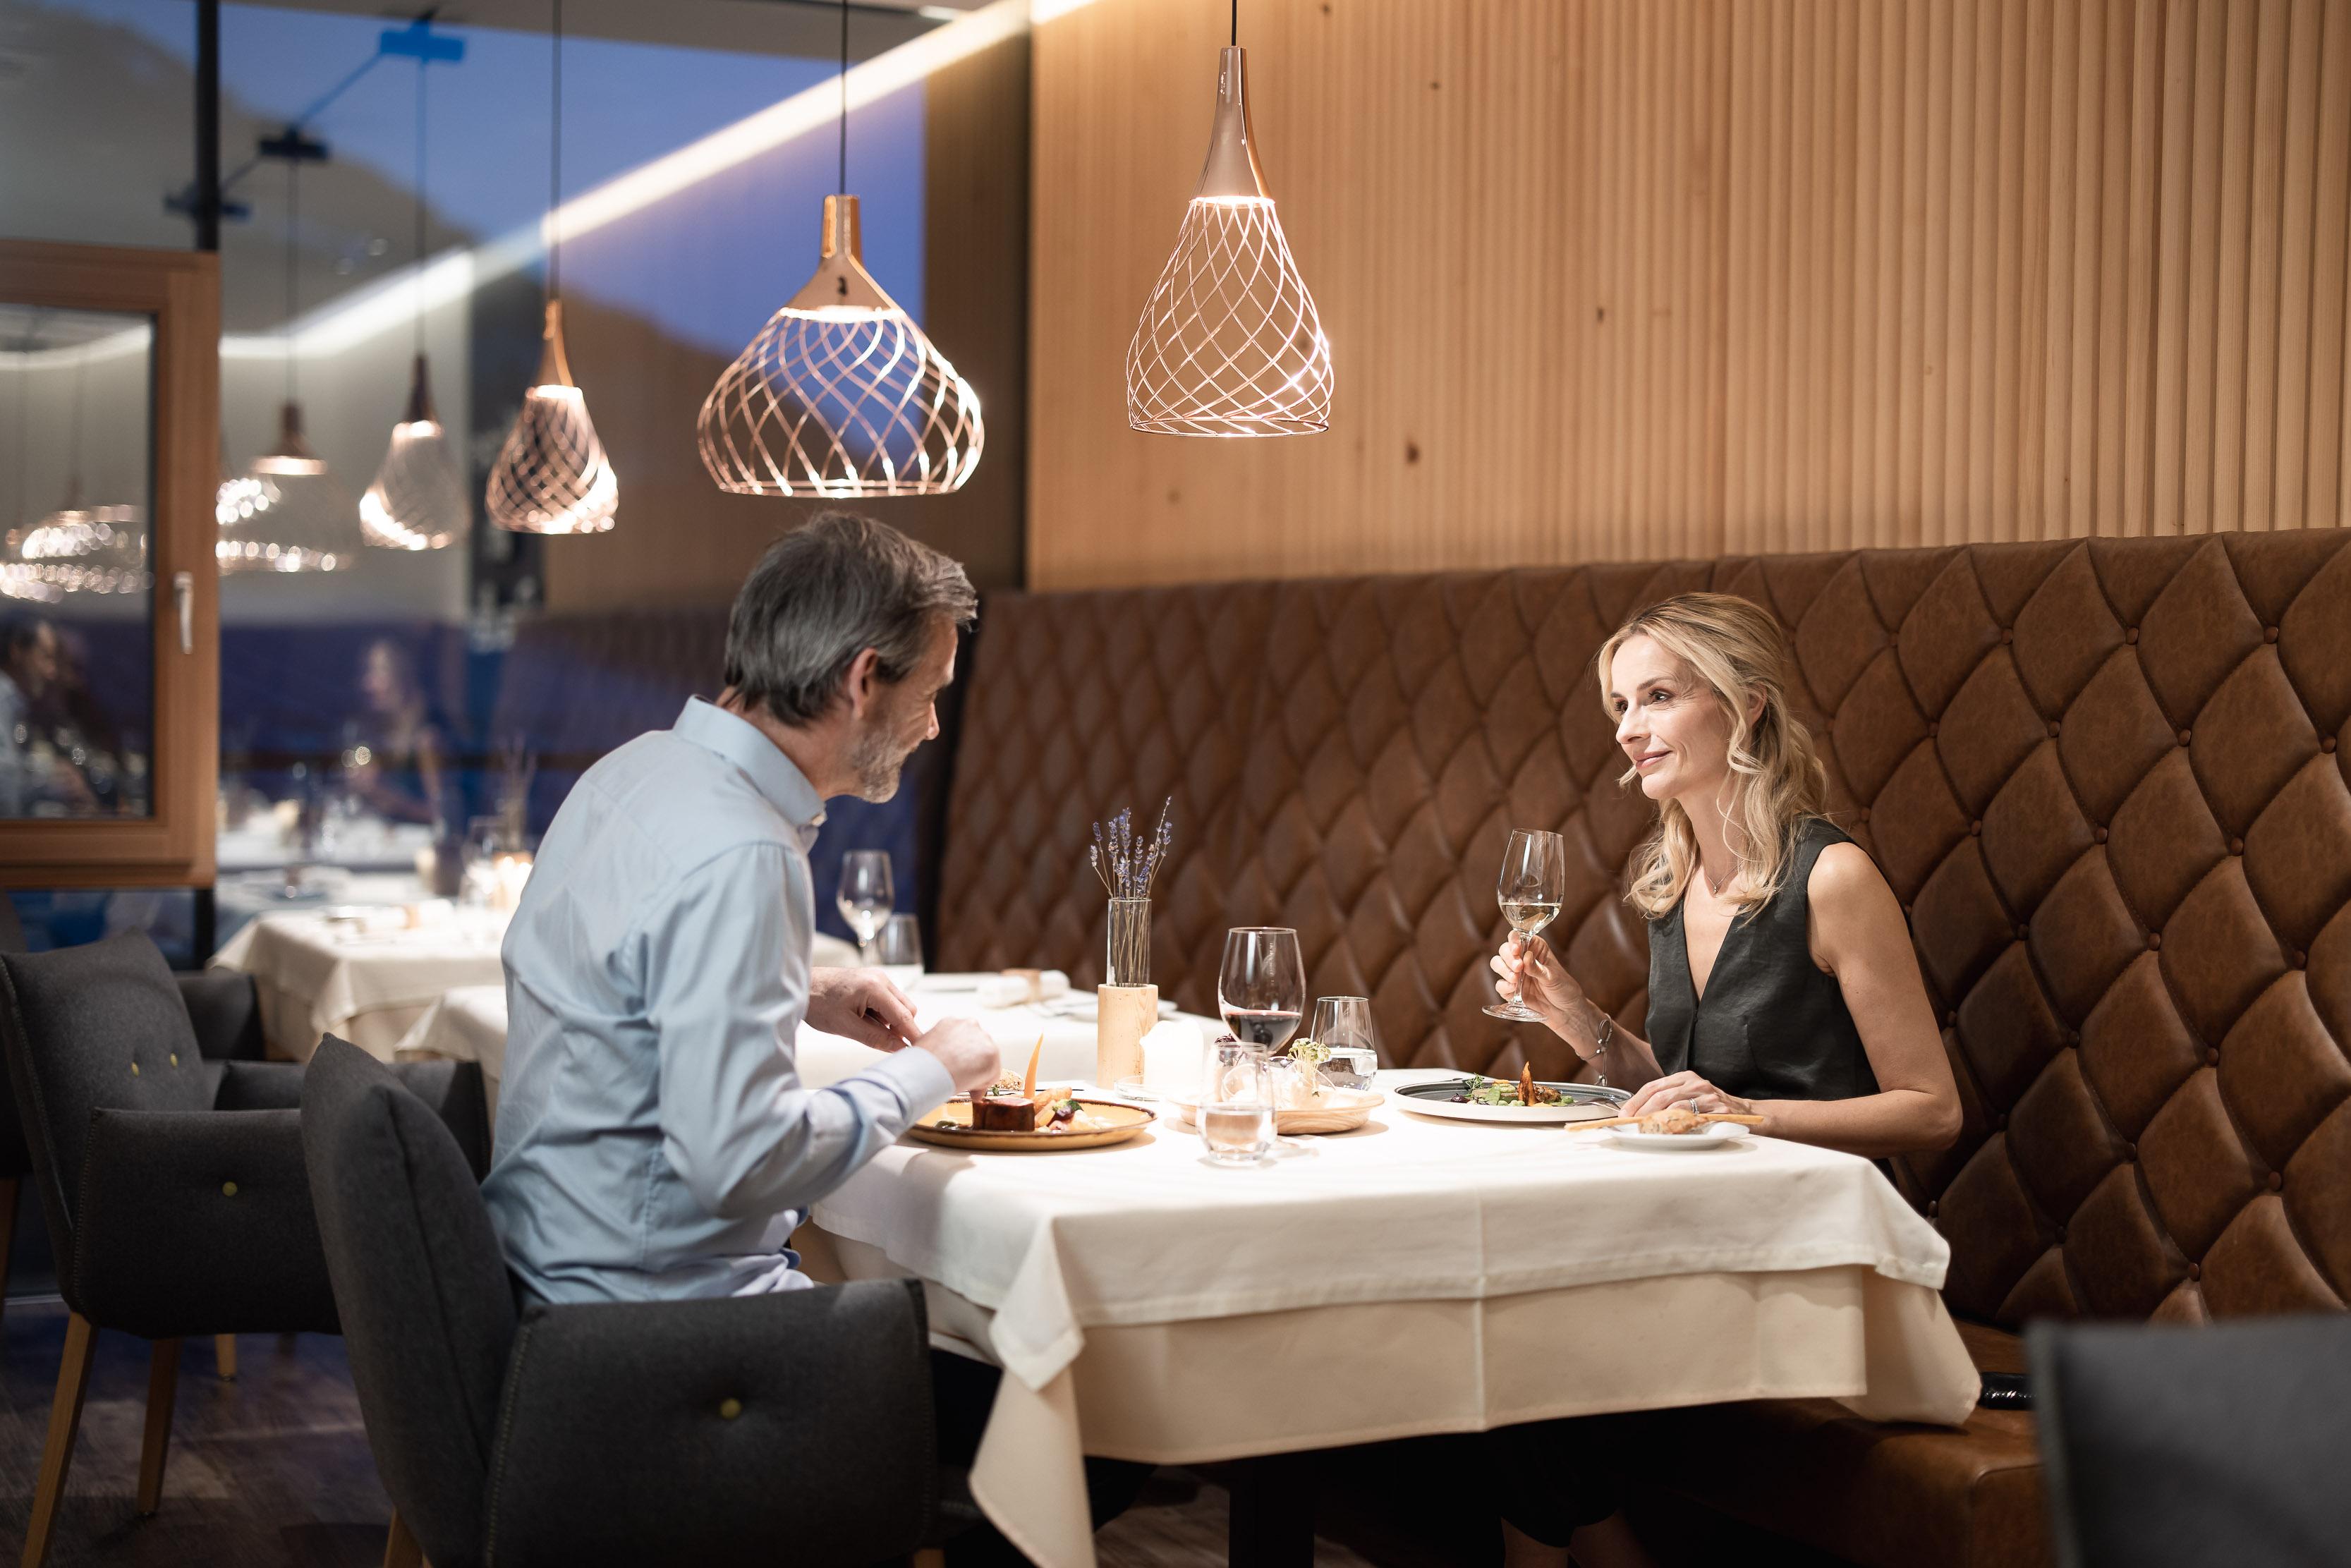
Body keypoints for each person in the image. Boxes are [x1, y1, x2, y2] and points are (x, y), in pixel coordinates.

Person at [1485, 590, 1963, 1568]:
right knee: (1519, 1324)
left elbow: (1932, 1110)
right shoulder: (1673, 882)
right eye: (1621, 705)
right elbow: (1684, 1092)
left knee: (1541, 1346)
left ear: (1745, 704)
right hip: (1699, 1226)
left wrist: (1752, 1115)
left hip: (1816, 1244)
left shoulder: (1831, 878)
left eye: (1658, 697)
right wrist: (1578, 1018)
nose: (1629, 729)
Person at [484, 513, 1000, 1301]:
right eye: (929, 694)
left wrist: (801, 991)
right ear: (863, 681)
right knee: (992, 1346)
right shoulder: (746, 850)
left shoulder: (630, 771)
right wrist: (934, 1068)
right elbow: (742, 1163)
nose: (932, 727)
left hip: (545, 1271)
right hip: (654, 1314)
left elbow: (616, 980)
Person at [345, 637, 449, 829]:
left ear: (402, 677)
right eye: (367, 672)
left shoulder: (426, 739)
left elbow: (441, 816)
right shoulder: (379, 732)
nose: (368, 683)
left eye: (379, 672)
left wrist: (384, 796)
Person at [0, 616, 97, 817]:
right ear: (17, 651)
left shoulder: (16, 705)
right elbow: (5, 791)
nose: (51, 672)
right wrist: (51, 783)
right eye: (45, 657)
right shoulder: (3, 699)